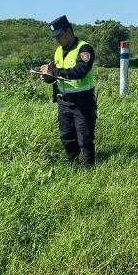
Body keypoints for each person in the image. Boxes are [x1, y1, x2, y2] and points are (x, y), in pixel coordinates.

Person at [39, 15, 98, 166]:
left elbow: (80, 72)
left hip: (82, 101)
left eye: (59, 35)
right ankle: (73, 165)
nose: (57, 39)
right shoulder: (58, 51)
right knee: (66, 136)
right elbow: (57, 76)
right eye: (55, 37)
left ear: (69, 31)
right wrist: (48, 77)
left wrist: (55, 72)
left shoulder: (84, 49)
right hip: (63, 101)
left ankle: (88, 170)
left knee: (84, 137)